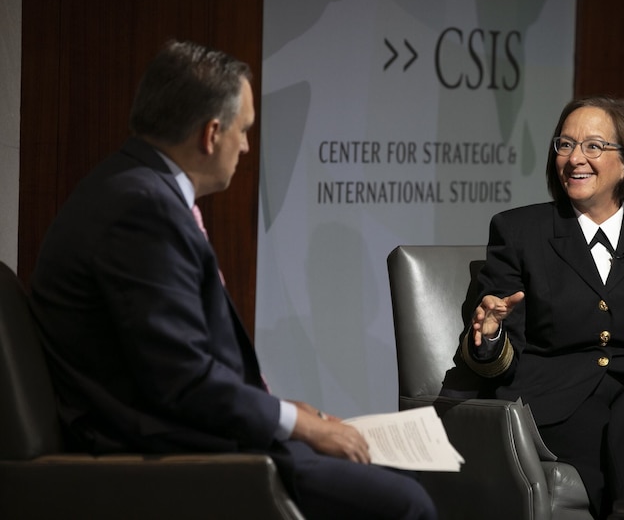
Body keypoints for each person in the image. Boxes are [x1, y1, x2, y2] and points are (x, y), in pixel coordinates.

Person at [29, 40, 436, 520]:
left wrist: (286, 412)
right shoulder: (141, 208)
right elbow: (181, 379)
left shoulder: (131, 187)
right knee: (406, 503)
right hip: (170, 455)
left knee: (402, 474)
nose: (246, 146)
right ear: (211, 133)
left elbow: (176, 363)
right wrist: (296, 426)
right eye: (244, 131)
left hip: (187, 433)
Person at [455, 95, 624, 519]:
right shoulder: (521, 231)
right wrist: (489, 336)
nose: (575, 158)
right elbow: (498, 363)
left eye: (594, 146)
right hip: (560, 403)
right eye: (565, 144)